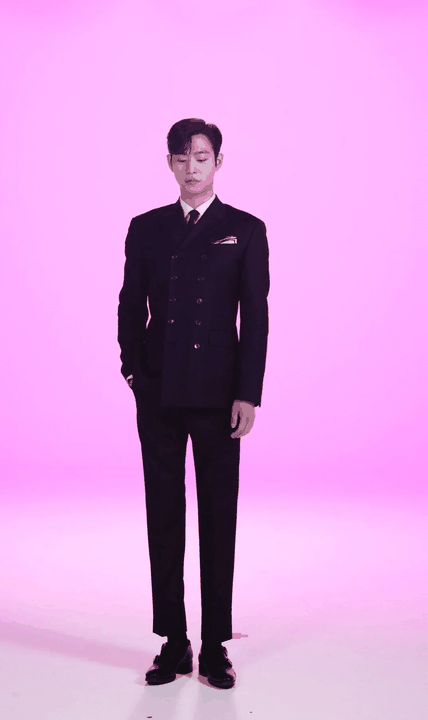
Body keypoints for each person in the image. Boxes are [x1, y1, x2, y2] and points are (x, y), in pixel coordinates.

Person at [117, 118, 270, 689]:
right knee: (163, 514)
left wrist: (247, 392)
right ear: (169, 163)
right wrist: (133, 369)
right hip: (158, 392)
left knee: (218, 515)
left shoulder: (245, 229)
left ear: (218, 162)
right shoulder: (146, 228)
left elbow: (255, 318)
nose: (191, 167)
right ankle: (173, 641)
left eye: (200, 156)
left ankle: (214, 646)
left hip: (217, 396)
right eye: (180, 157)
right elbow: (130, 304)